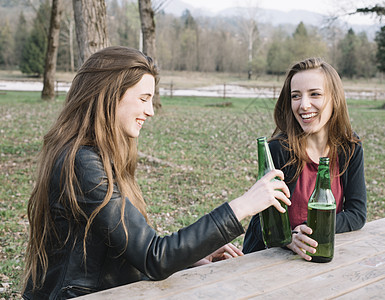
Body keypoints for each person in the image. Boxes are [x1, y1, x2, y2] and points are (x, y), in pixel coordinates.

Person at [22, 46, 291, 299]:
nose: (150, 111)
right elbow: (155, 256)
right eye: (143, 98)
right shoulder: (82, 162)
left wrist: (195, 255)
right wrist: (244, 205)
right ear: (109, 95)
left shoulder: (91, 154)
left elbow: (128, 244)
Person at [243, 57, 367, 260]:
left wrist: (313, 229)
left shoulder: (349, 148)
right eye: (295, 96)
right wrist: (289, 238)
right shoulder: (279, 149)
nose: (304, 105)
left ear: (334, 98)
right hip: (269, 261)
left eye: (315, 94)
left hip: (318, 258)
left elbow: (356, 214)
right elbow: (260, 222)